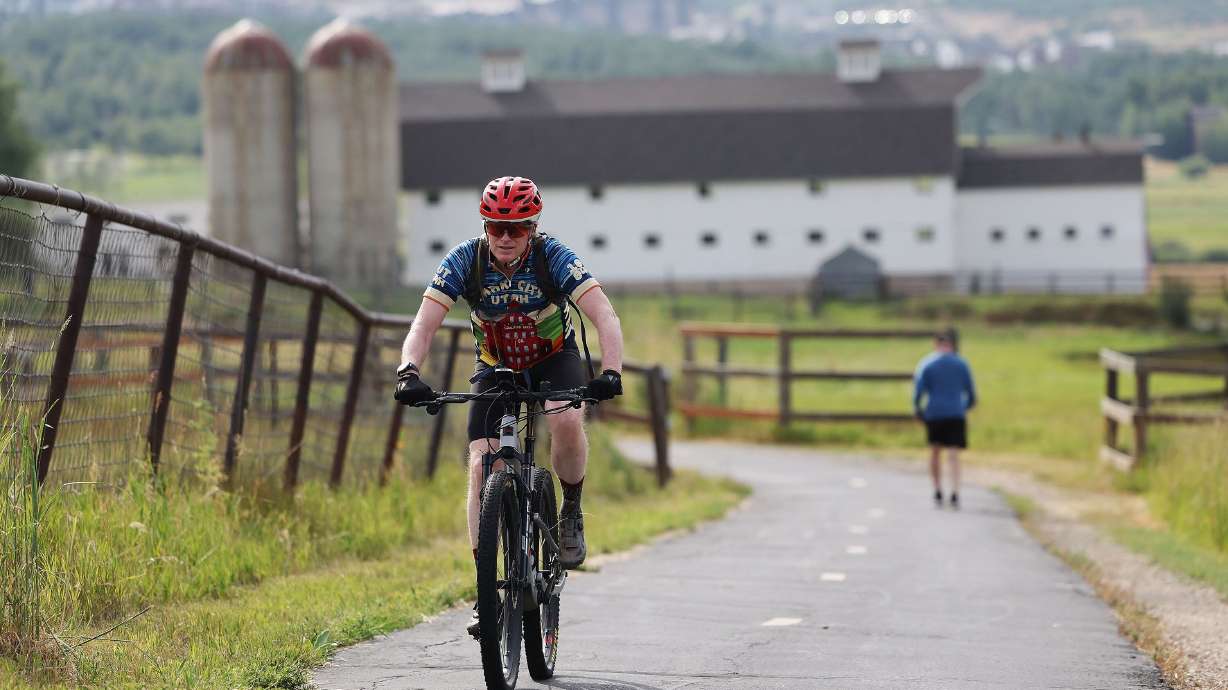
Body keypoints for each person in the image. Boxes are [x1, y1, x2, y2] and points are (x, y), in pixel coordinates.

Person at [393, 176, 624, 636]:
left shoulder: (553, 256)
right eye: (496, 226)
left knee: (565, 416)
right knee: (482, 463)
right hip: (496, 366)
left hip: (554, 357)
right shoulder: (465, 260)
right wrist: (407, 371)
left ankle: (570, 508)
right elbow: (423, 325)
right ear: (484, 224)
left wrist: (611, 371)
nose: (505, 237)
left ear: (533, 227)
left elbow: (604, 314)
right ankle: (486, 592)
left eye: (517, 228)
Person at [913, 331, 976, 508]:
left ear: (936, 344)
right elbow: (971, 394)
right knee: (953, 454)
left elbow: (918, 392)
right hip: (956, 412)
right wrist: (963, 408)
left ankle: (937, 489)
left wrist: (918, 409)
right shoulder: (962, 364)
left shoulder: (927, 364)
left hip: (934, 412)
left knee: (935, 451)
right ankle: (955, 491)